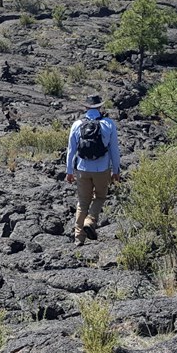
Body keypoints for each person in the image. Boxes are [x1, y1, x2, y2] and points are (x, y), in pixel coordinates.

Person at [65, 94, 121, 245]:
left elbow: (71, 150)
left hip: (82, 168)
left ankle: (78, 238)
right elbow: (114, 150)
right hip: (102, 169)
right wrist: (116, 170)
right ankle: (90, 221)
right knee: (100, 197)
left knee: (83, 202)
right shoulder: (108, 124)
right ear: (100, 107)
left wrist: (69, 171)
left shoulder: (77, 124)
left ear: (86, 107)